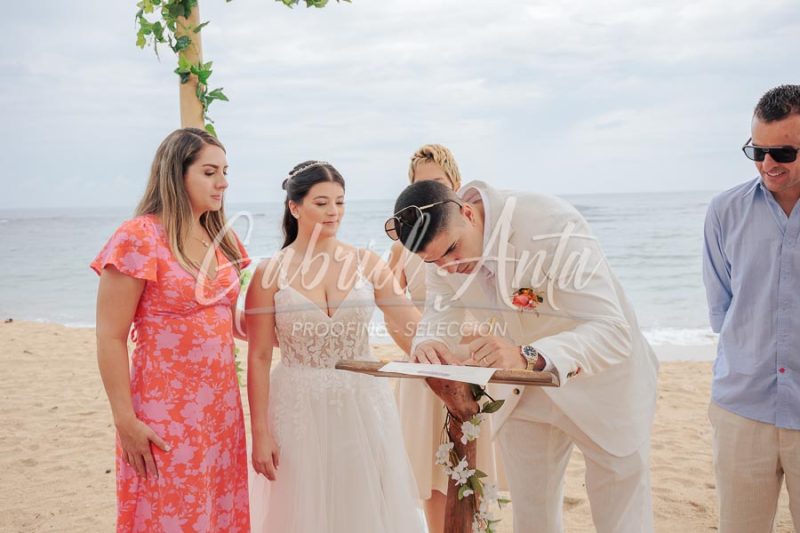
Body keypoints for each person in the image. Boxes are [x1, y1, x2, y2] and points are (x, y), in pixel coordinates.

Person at [387, 179, 659, 533]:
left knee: (621, 518)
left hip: (603, 388)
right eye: (435, 261)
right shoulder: (442, 257)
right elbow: (439, 316)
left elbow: (613, 331)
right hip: (523, 396)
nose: (450, 267)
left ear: (467, 213)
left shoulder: (553, 225)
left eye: (453, 250)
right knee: (532, 519)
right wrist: (427, 343)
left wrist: (526, 355)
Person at [246, 161, 425, 533]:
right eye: (322, 203)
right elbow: (259, 356)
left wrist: (453, 348)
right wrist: (260, 432)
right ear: (294, 207)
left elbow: (410, 323)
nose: (334, 213)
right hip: (297, 407)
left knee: (364, 506)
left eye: (340, 203)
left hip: (363, 402)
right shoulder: (268, 273)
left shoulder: (366, 263)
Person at [92, 128, 251, 532]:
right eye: (210, 172)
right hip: (164, 413)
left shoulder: (223, 238)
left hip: (221, 412)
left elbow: (235, 324)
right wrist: (125, 421)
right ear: (176, 174)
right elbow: (110, 336)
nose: (223, 182)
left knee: (216, 513)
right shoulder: (139, 237)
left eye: (225, 172)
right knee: (168, 514)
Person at [388, 144, 505, 533]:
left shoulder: (473, 236)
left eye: (437, 182)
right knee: (432, 473)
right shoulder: (403, 248)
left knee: (479, 469)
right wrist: (423, 354)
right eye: (420, 185)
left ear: (453, 184)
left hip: (472, 364)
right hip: (430, 366)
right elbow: (392, 311)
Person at [703, 84, 800, 533]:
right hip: (741, 410)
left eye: (782, 152)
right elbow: (722, 306)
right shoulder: (724, 211)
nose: (767, 164)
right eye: (756, 150)